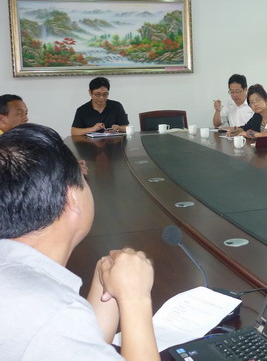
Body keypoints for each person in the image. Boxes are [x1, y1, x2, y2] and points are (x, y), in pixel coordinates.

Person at [0, 124, 158, 360]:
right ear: (71, 198)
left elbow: (79, 347)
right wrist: (135, 298)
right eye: (82, 179)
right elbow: (57, 324)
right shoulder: (54, 312)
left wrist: (107, 284)